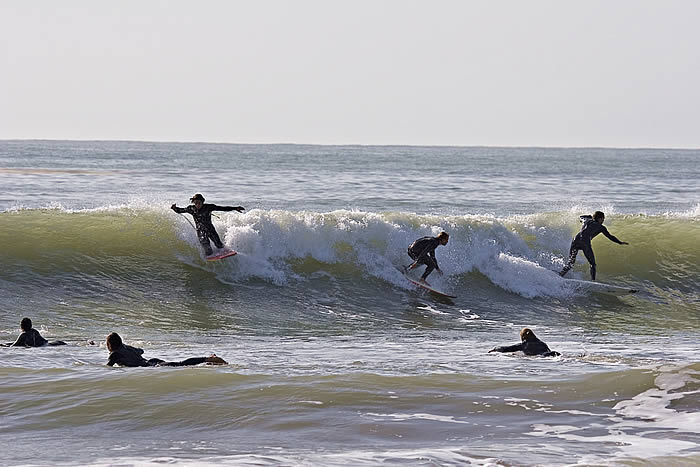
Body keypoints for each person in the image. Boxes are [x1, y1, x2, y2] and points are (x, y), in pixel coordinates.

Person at [559, 211, 628, 281]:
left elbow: (581, 217)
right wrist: (620, 242)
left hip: (575, 240)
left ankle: (561, 275)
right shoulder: (601, 227)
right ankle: (593, 281)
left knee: (570, 263)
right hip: (585, 242)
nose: (603, 221)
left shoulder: (586, 220)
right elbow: (610, 236)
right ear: (600, 218)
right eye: (603, 219)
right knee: (592, 264)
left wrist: (589, 216)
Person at [171, 194, 245, 256]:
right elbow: (181, 210)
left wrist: (235, 208)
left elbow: (222, 208)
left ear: (202, 202)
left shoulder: (208, 207)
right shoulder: (191, 209)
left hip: (210, 229)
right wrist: (175, 208)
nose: (197, 205)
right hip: (200, 232)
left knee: (219, 245)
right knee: (208, 250)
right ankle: (210, 256)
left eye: (199, 203)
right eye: (195, 203)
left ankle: (223, 251)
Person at [106, 332, 227, 367]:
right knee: (179, 364)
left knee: (181, 364)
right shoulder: (128, 348)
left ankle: (207, 358)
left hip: (150, 366)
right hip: (152, 361)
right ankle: (209, 362)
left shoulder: (115, 354)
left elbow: (108, 367)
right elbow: (141, 351)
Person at [488, 328, 560, 357]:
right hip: (549, 354)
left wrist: (495, 349)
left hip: (542, 357)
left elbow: (506, 349)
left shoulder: (524, 345)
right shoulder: (542, 343)